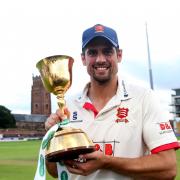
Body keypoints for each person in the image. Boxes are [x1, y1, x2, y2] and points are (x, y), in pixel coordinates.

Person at [45, 24, 179, 180]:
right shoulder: (68, 104)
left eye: (108, 51)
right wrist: (51, 136)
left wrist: (107, 162)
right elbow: (55, 171)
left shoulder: (144, 98)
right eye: (92, 53)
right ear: (83, 58)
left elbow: (168, 168)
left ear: (119, 55)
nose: (100, 59)